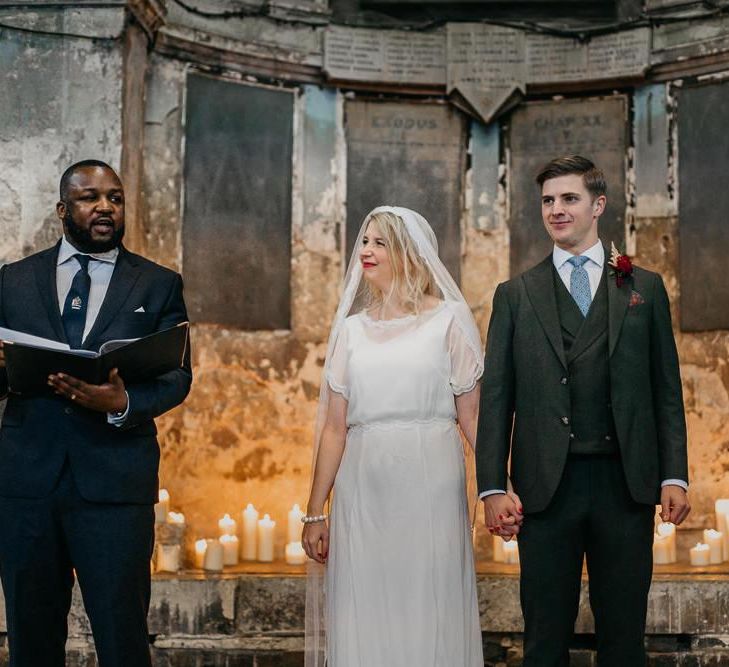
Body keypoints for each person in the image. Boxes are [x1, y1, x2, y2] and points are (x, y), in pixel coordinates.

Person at [477, 155, 690, 666]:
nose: (556, 209)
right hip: (546, 491)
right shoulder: (514, 295)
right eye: (548, 200)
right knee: (544, 641)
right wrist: (491, 485)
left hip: (627, 485)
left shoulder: (645, 288)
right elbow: (497, 398)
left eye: (568, 198)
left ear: (598, 205)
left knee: (623, 640)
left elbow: (666, 389)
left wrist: (675, 475)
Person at [301, 206, 519, 667]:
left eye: (380, 243)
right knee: (367, 599)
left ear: (409, 253)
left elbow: (473, 417)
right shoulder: (351, 330)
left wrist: (499, 485)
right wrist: (314, 513)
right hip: (365, 484)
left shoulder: (450, 319)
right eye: (364, 241)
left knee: (427, 597)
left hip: (430, 479)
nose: (366, 251)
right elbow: (335, 428)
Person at [0, 159, 192, 667]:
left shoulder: (157, 284)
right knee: (30, 635)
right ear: (64, 209)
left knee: (121, 634)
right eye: (90, 198)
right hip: (27, 484)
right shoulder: (13, 281)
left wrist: (123, 403)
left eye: (115, 197)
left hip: (114, 484)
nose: (104, 206)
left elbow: (177, 377)